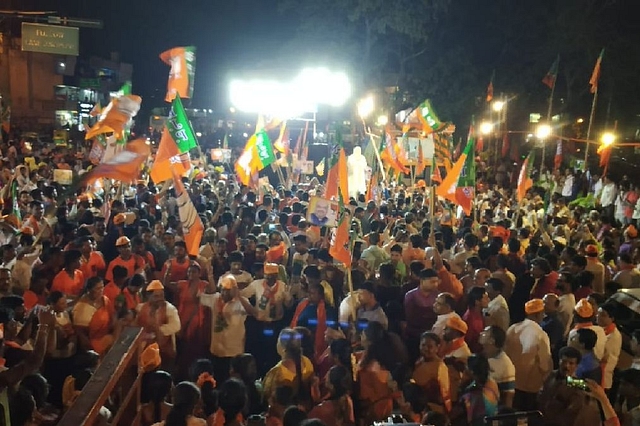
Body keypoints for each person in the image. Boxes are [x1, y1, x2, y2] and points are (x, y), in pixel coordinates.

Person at [200, 274, 257, 384]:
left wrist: (239, 296)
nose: (224, 293)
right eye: (223, 290)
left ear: (234, 290)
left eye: (228, 290)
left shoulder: (241, 302)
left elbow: (253, 313)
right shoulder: (216, 299)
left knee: (232, 382)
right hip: (216, 350)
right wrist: (210, 276)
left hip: (233, 352)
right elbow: (203, 296)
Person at [504, 298, 553, 411]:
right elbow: (544, 365)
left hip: (510, 383)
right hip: (529, 388)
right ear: (538, 314)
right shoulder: (541, 334)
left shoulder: (513, 328)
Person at [137, 280, 181, 372]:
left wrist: (158, 330)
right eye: (156, 296)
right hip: (143, 352)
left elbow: (176, 326)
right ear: (149, 296)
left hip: (164, 352)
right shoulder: (140, 308)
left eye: (161, 295)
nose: (160, 298)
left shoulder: (170, 309)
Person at [263, 328, 314, 407]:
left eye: (278, 341)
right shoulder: (307, 362)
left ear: (283, 348)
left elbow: (266, 395)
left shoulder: (277, 372)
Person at [290, 281, 337, 364]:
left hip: (314, 344)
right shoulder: (302, 304)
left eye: (313, 293)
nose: (309, 296)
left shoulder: (327, 309)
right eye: (309, 293)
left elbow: (330, 328)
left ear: (320, 295)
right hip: (299, 341)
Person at [72, 276, 115, 356]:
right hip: (93, 343)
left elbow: (112, 317)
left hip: (107, 337)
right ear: (89, 290)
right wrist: (92, 352)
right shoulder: (82, 308)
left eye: (102, 287)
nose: (101, 291)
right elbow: (81, 334)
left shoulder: (105, 300)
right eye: (97, 289)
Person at [454, 354, 499, 426]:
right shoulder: (492, 383)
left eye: (466, 367)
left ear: (471, 371)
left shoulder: (473, 394)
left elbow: (456, 413)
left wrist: (462, 384)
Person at [411, 332, 451, 414]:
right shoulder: (420, 361)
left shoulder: (440, 367)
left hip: (432, 409)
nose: (425, 348)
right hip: (416, 405)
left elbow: (445, 395)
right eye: (423, 345)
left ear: (437, 348)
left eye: (429, 346)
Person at [479, 326, 515, 408]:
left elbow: (508, 395)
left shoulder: (506, 364)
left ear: (492, 340)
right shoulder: (482, 356)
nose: (481, 333)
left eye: (485, 332)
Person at [596, 303, 622, 394]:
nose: (598, 317)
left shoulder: (614, 336)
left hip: (603, 378)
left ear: (612, 318)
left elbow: (603, 356)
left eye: (603, 315)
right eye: (598, 313)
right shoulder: (600, 330)